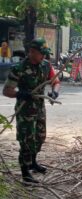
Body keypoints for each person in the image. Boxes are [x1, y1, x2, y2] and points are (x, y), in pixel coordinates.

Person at [2, 38, 60, 183]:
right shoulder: (19, 68)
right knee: (26, 141)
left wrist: (54, 92)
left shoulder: (46, 65)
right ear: (32, 52)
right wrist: (20, 94)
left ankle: (33, 162)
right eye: (42, 53)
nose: (45, 57)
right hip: (25, 111)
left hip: (40, 109)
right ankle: (25, 172)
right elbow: (6, 91)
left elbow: (55, 81)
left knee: (40, 137)